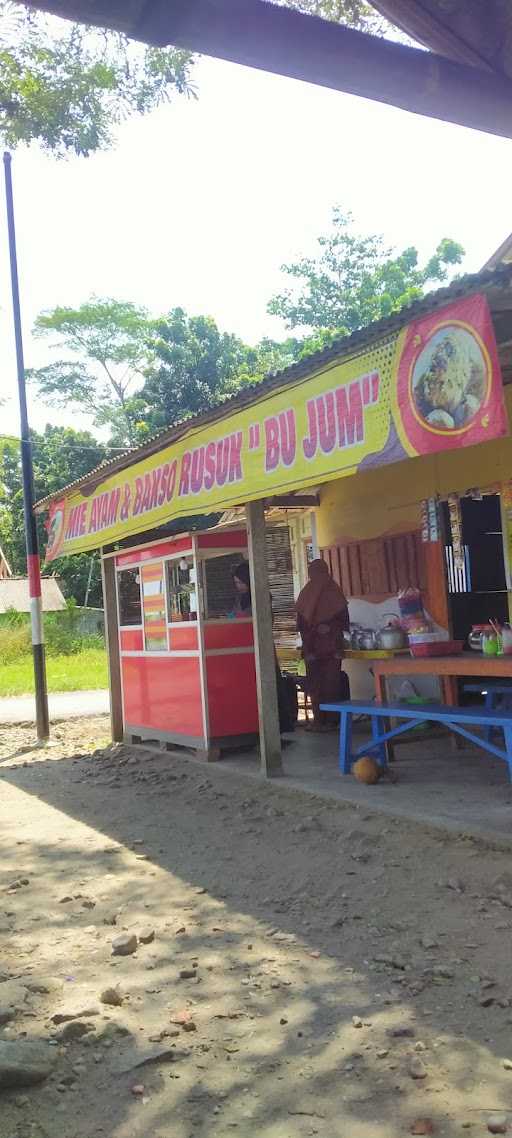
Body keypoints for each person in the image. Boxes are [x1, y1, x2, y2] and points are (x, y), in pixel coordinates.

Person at [296, 558, 350, 731]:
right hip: (333, 648)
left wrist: (314, 633)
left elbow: (301, 625)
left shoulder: (306, 593)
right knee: (331, 684)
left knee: (316, 685)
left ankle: (319, 721)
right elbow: (344, 621)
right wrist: (329, 628)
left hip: (313, 648)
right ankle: (332, 721)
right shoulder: (335, 591)